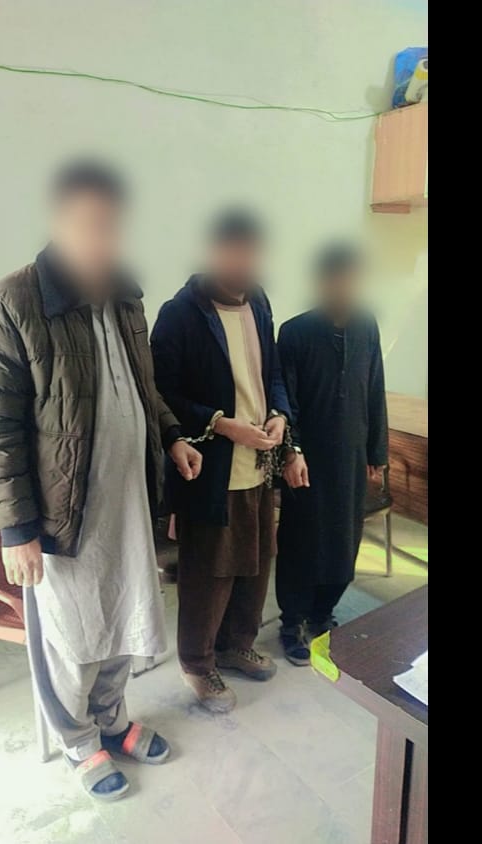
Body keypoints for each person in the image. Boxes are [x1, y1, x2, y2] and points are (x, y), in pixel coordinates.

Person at [0, 160, 203, 802]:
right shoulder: (12, 305)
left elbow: (142, 388)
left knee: (126, 617)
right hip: (61, 514)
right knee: (72, 637)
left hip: (128, 501)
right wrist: (16, 529)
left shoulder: (125, 296)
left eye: (112, 225)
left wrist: (172, 436)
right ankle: (78, 740)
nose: (103, 240)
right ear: (58, 222)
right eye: (89, 225)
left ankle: (114, 720)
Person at [151, 208, 292, 713]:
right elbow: (159, 392)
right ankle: (198, 663)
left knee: (256, 563)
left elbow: (273, 374)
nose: (244, 265)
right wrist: (220, 423)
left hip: (259, 463)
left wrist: (279, 415)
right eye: (235, 254)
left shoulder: (259, 302)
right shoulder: (180, 314)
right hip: (210, 469)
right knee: (210, 573)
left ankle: (236, 646)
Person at [275, 242, 388, 664]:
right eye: (336, 278)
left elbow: (374, 388)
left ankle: (323, 613)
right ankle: (292, 622)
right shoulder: (294, 333)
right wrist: (292, 451)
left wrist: (377, 449)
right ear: (322, 282)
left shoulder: (367, 326)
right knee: (301, 541)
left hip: (351, 456)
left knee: (344, 541)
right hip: (307, 460)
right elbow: (284, 401)